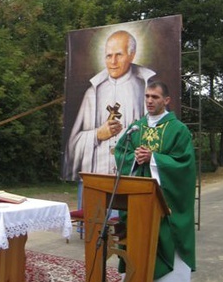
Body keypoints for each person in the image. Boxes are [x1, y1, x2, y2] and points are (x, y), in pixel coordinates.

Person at [114, 81, 196, 282]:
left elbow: (185, 166)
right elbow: (121, 153)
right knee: (137, 258)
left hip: (165, 210)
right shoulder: (135, 127)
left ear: (167, 100)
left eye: (155, 97)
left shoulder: (178, 130)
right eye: (147, 96)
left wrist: (154, 160)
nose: (149, 101)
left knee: (161, 262)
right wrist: (134, 158)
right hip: (139, 209)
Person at [64, 30, 155, 181]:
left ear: (132, 55)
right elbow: (72, 145)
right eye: (108, 56)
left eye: (119, 55)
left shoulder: (146, 90)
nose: (113, 62)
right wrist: (97, 135)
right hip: (96, 176)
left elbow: (157, 137)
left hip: (130, 176)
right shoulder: (92, 93)